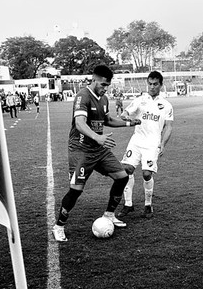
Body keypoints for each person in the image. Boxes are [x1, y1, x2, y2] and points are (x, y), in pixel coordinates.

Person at [52, 65, 141, 242]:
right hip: (81, 150)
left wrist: (129, 123)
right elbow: (80, 123)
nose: (105, 88)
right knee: (76, 190)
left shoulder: (104, 99)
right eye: (102, 84)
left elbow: (107, 120)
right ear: (94, 80)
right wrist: (97, 137)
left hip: (98, 150)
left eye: (107, 85)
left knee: (122, 176)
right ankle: (59, 225)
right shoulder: (82, 96)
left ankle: (109, 214)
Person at [118, 71, 173, 219]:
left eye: (155, 84)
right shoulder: (140, 100)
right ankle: (128, 204)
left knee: (147, 173)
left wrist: (163, 144)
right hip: (136, 140)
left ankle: (148, 205)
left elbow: (168, 126)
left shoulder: (166, 106)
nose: (152, 87)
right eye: (150, 84)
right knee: (126, 170)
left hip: (152, 143)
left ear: (161, 85)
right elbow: (125, 113)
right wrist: (126, 117)